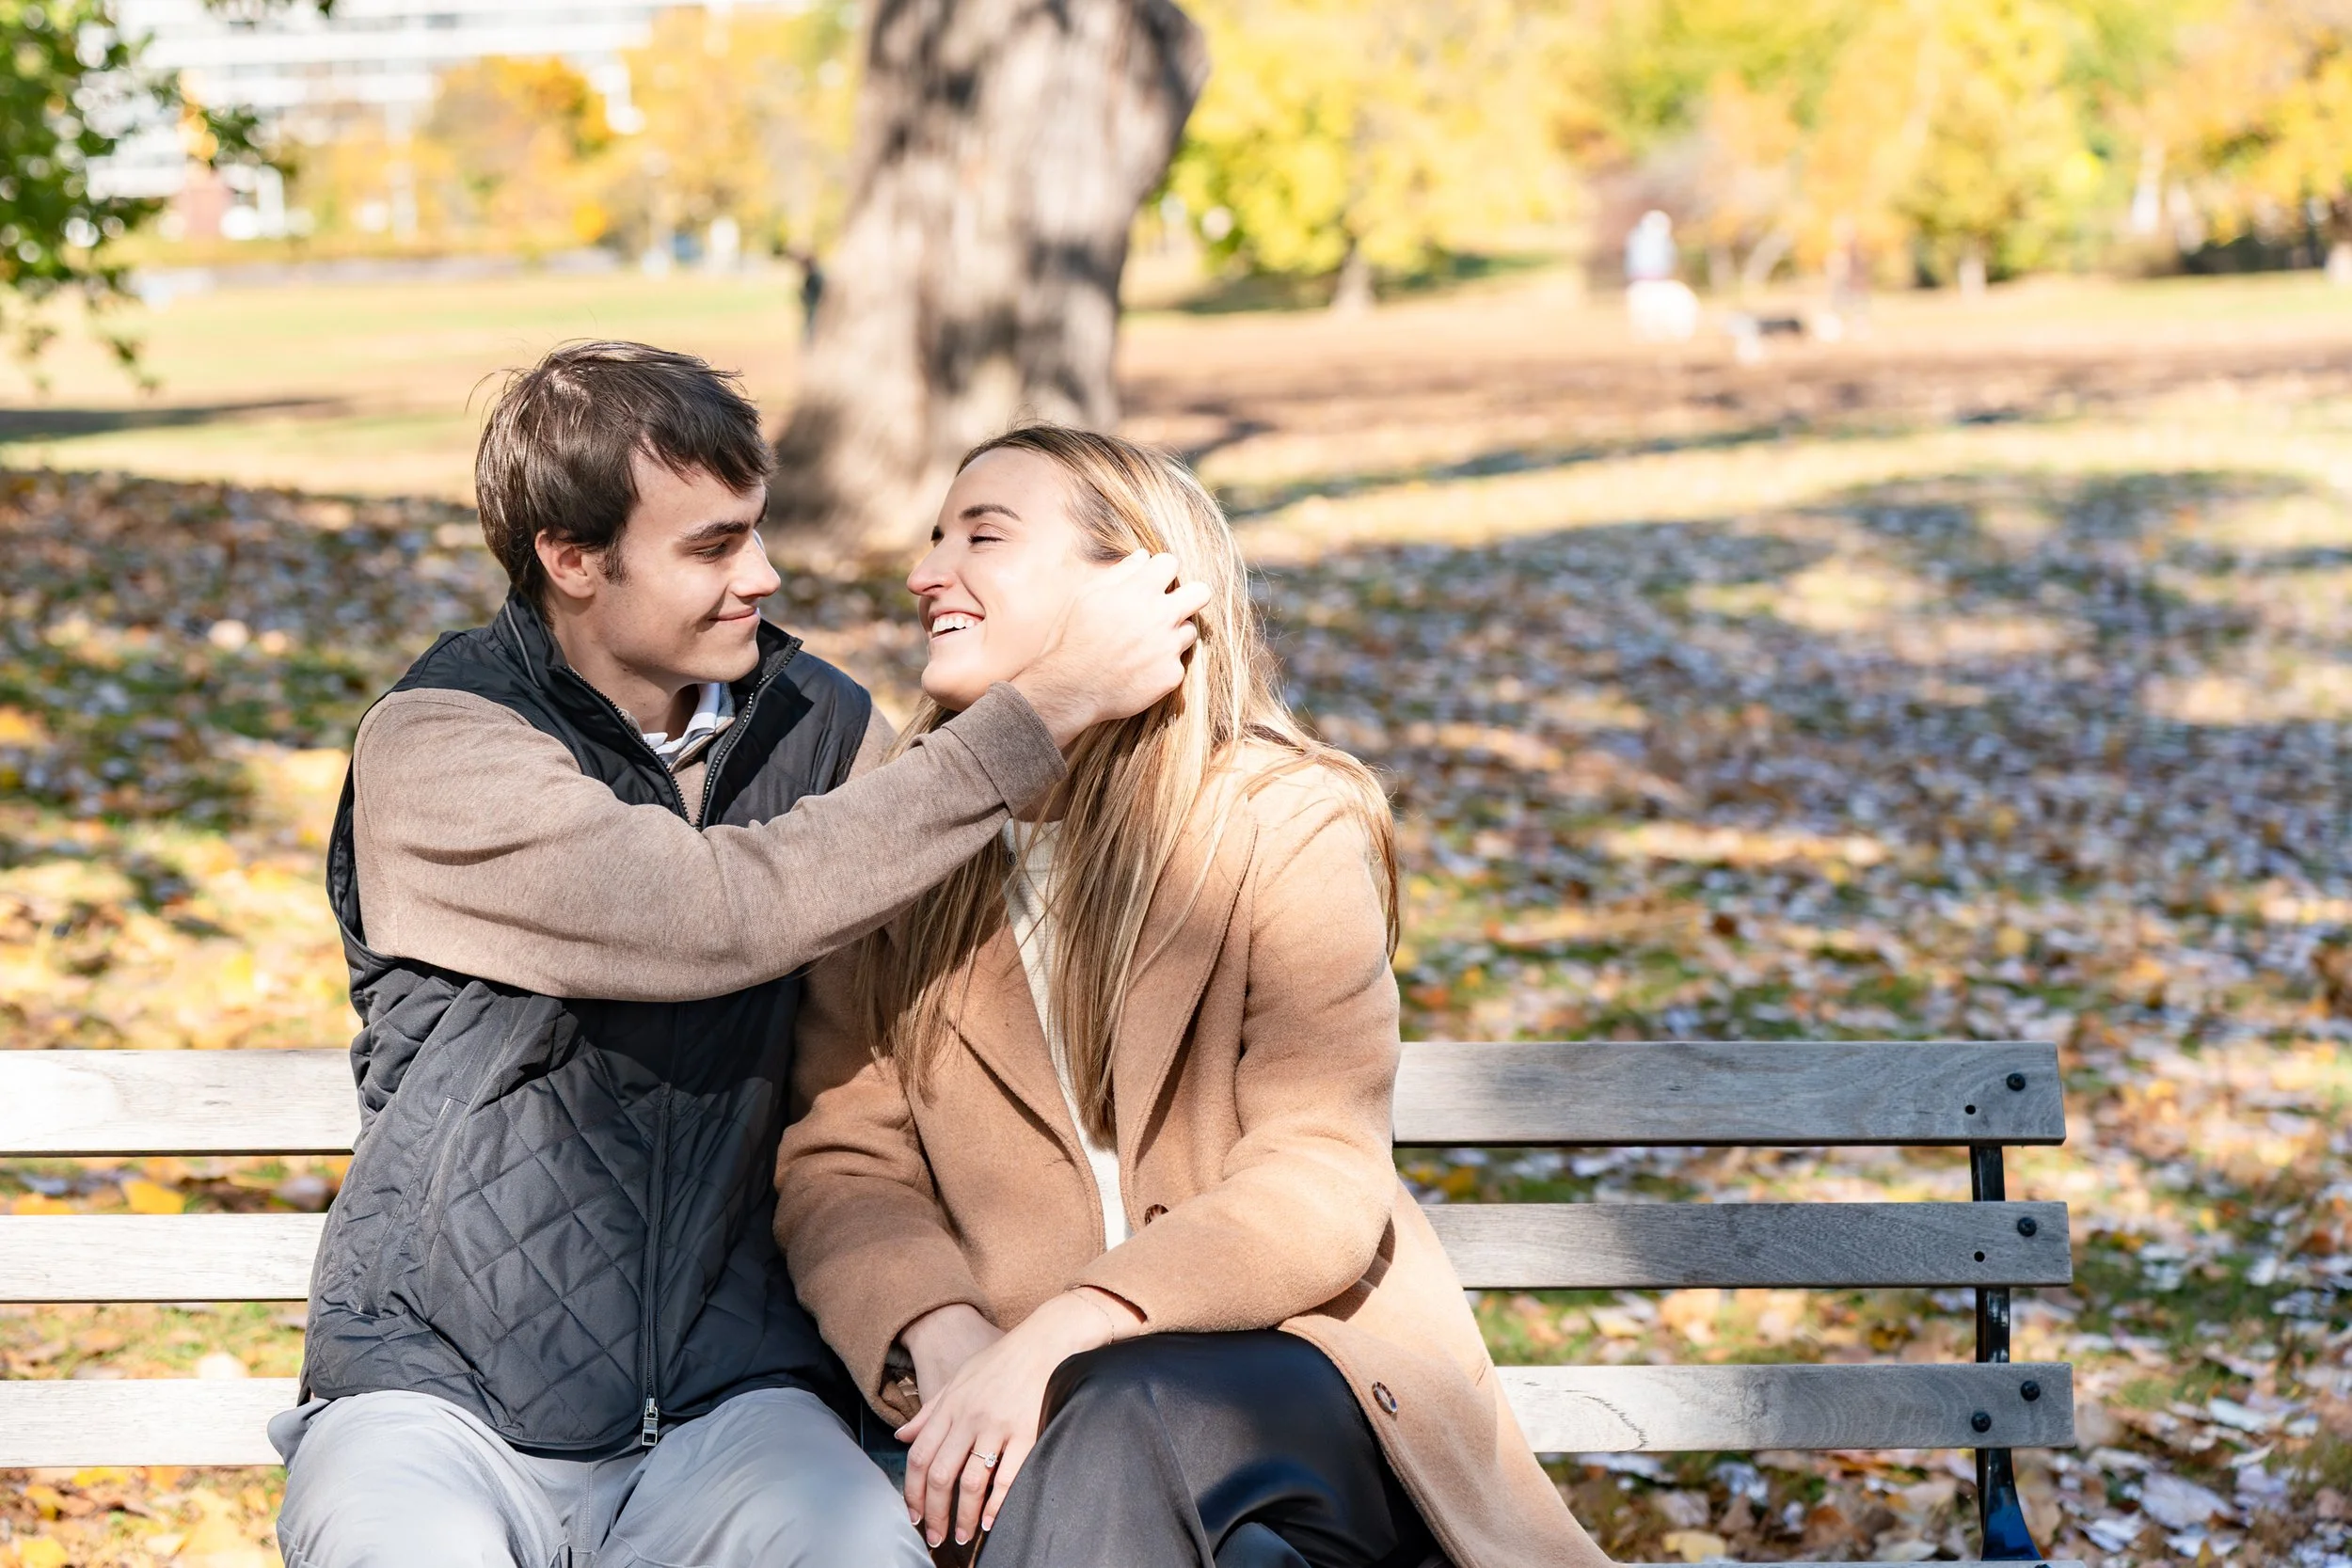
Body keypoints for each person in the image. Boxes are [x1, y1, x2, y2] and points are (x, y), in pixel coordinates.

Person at [273, 344, 1209, 1568]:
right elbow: (709, 914)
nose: (761, 575)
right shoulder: (444, 742)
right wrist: (1038, 716)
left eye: (756, 530)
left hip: (735, 1404)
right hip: (440, 1403)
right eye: (711, 547)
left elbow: (968, 947)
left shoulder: (820, 724)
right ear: (572, 557)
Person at [773, 425, 1611, 1568]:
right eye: (931, 538)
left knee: (1123, 1408)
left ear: (1145, 583)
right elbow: (842, 1161)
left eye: (983, 536)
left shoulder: (1280, 821)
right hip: (1046, 1445)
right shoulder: (902, 839)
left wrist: (1063, 1334)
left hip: (1304, 1382)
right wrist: (952, 1335)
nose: (926, 574)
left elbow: (1319, 1167)